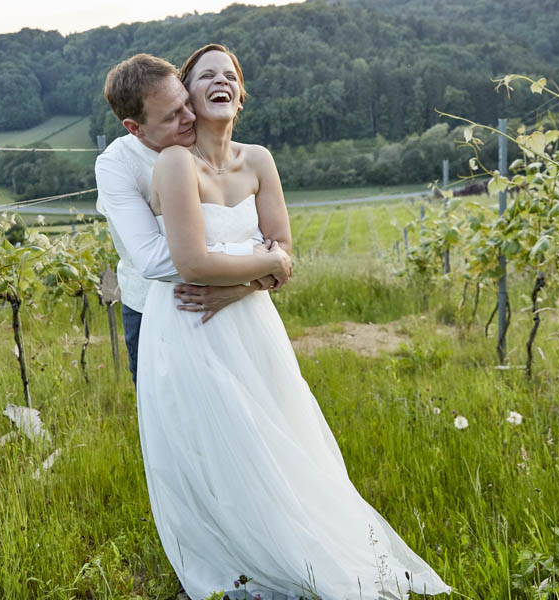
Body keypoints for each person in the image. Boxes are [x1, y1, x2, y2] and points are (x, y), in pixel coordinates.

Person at [137, 44, 450, 599]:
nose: (220, 81)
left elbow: (286, 253)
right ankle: (239, 562)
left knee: (280, 440)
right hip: (190, 326)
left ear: (241, 93)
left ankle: (298, 549)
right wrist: (272, 264)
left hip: (249, 323)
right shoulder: (175, 163)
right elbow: (193, 263)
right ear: (187, 93)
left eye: (230, 74)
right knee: (216, 445)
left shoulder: (258, 160)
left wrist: (243, 283)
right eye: (206, 75)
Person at [95, 54, 281, 383]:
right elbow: (153, 260)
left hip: (241, 306)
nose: (189, 117)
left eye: (185, 103)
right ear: (135, 128)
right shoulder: (117, 165)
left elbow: (276, 244)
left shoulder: (211, 144)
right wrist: (258, 259)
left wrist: (242, 287)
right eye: (172, 117)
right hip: (159, 310)